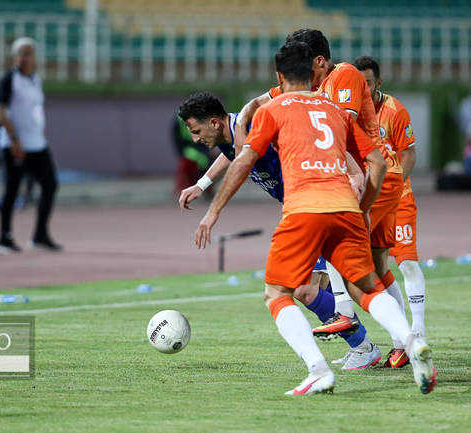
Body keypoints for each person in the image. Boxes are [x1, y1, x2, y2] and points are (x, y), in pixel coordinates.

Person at [194, 41, 435, 395]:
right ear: (313, 73)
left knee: (277, 292)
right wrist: (363, 208)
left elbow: (244, 159)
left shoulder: (273, 109)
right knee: (366, 285)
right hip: (346, 207)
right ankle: (412, 342)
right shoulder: (335, 108)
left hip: (305, 208)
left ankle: (318, 369)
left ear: (279, 77)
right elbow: (377, 162)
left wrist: (212, 210)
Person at [237, 29, 406, 368]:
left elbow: (339, 131)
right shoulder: (307, 87)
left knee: (341, 245)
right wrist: (243, 124)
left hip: (374, 175)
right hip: (359, 177)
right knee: (377, 269)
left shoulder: (344, 74)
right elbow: (255, 105)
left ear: (319, 61)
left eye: (306, 65)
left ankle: (350, 315)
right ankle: (404, 341)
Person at [177, 92, 381, 370]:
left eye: (196, 131)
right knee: (324, 287)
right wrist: (202, 184)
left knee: (307, 289)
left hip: (318, 206)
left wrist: (352, 171)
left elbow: (311, 138)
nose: (195, 139)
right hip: (306, 207)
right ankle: (375, 344)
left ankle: (371, 345)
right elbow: (232, 155)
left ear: (214, 122)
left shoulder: (256, 126)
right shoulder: (231, 135)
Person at [354, 55, 426, 368]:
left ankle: (418, 333)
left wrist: (394, 187)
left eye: (368, 84)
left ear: (378, 83)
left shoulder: (394, 111)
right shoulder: (352, 112)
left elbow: (409, 153)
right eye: (359, 85)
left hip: (398, 198)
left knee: (406, 262)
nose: (364, 90)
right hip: (371, 198)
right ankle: (401, 343)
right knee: (378, 267)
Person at [0, 37, 60, 253]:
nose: (25, 57)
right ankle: (4, 237)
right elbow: (0, 111)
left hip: (36, 143)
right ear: (15, 56)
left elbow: (35, 109)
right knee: (12, 190)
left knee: (50, 184)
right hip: (16, 144)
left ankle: (40, 234)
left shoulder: (35, 79)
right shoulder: (9, 79)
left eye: (29, 53)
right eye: (21, 53)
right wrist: (14, 138)